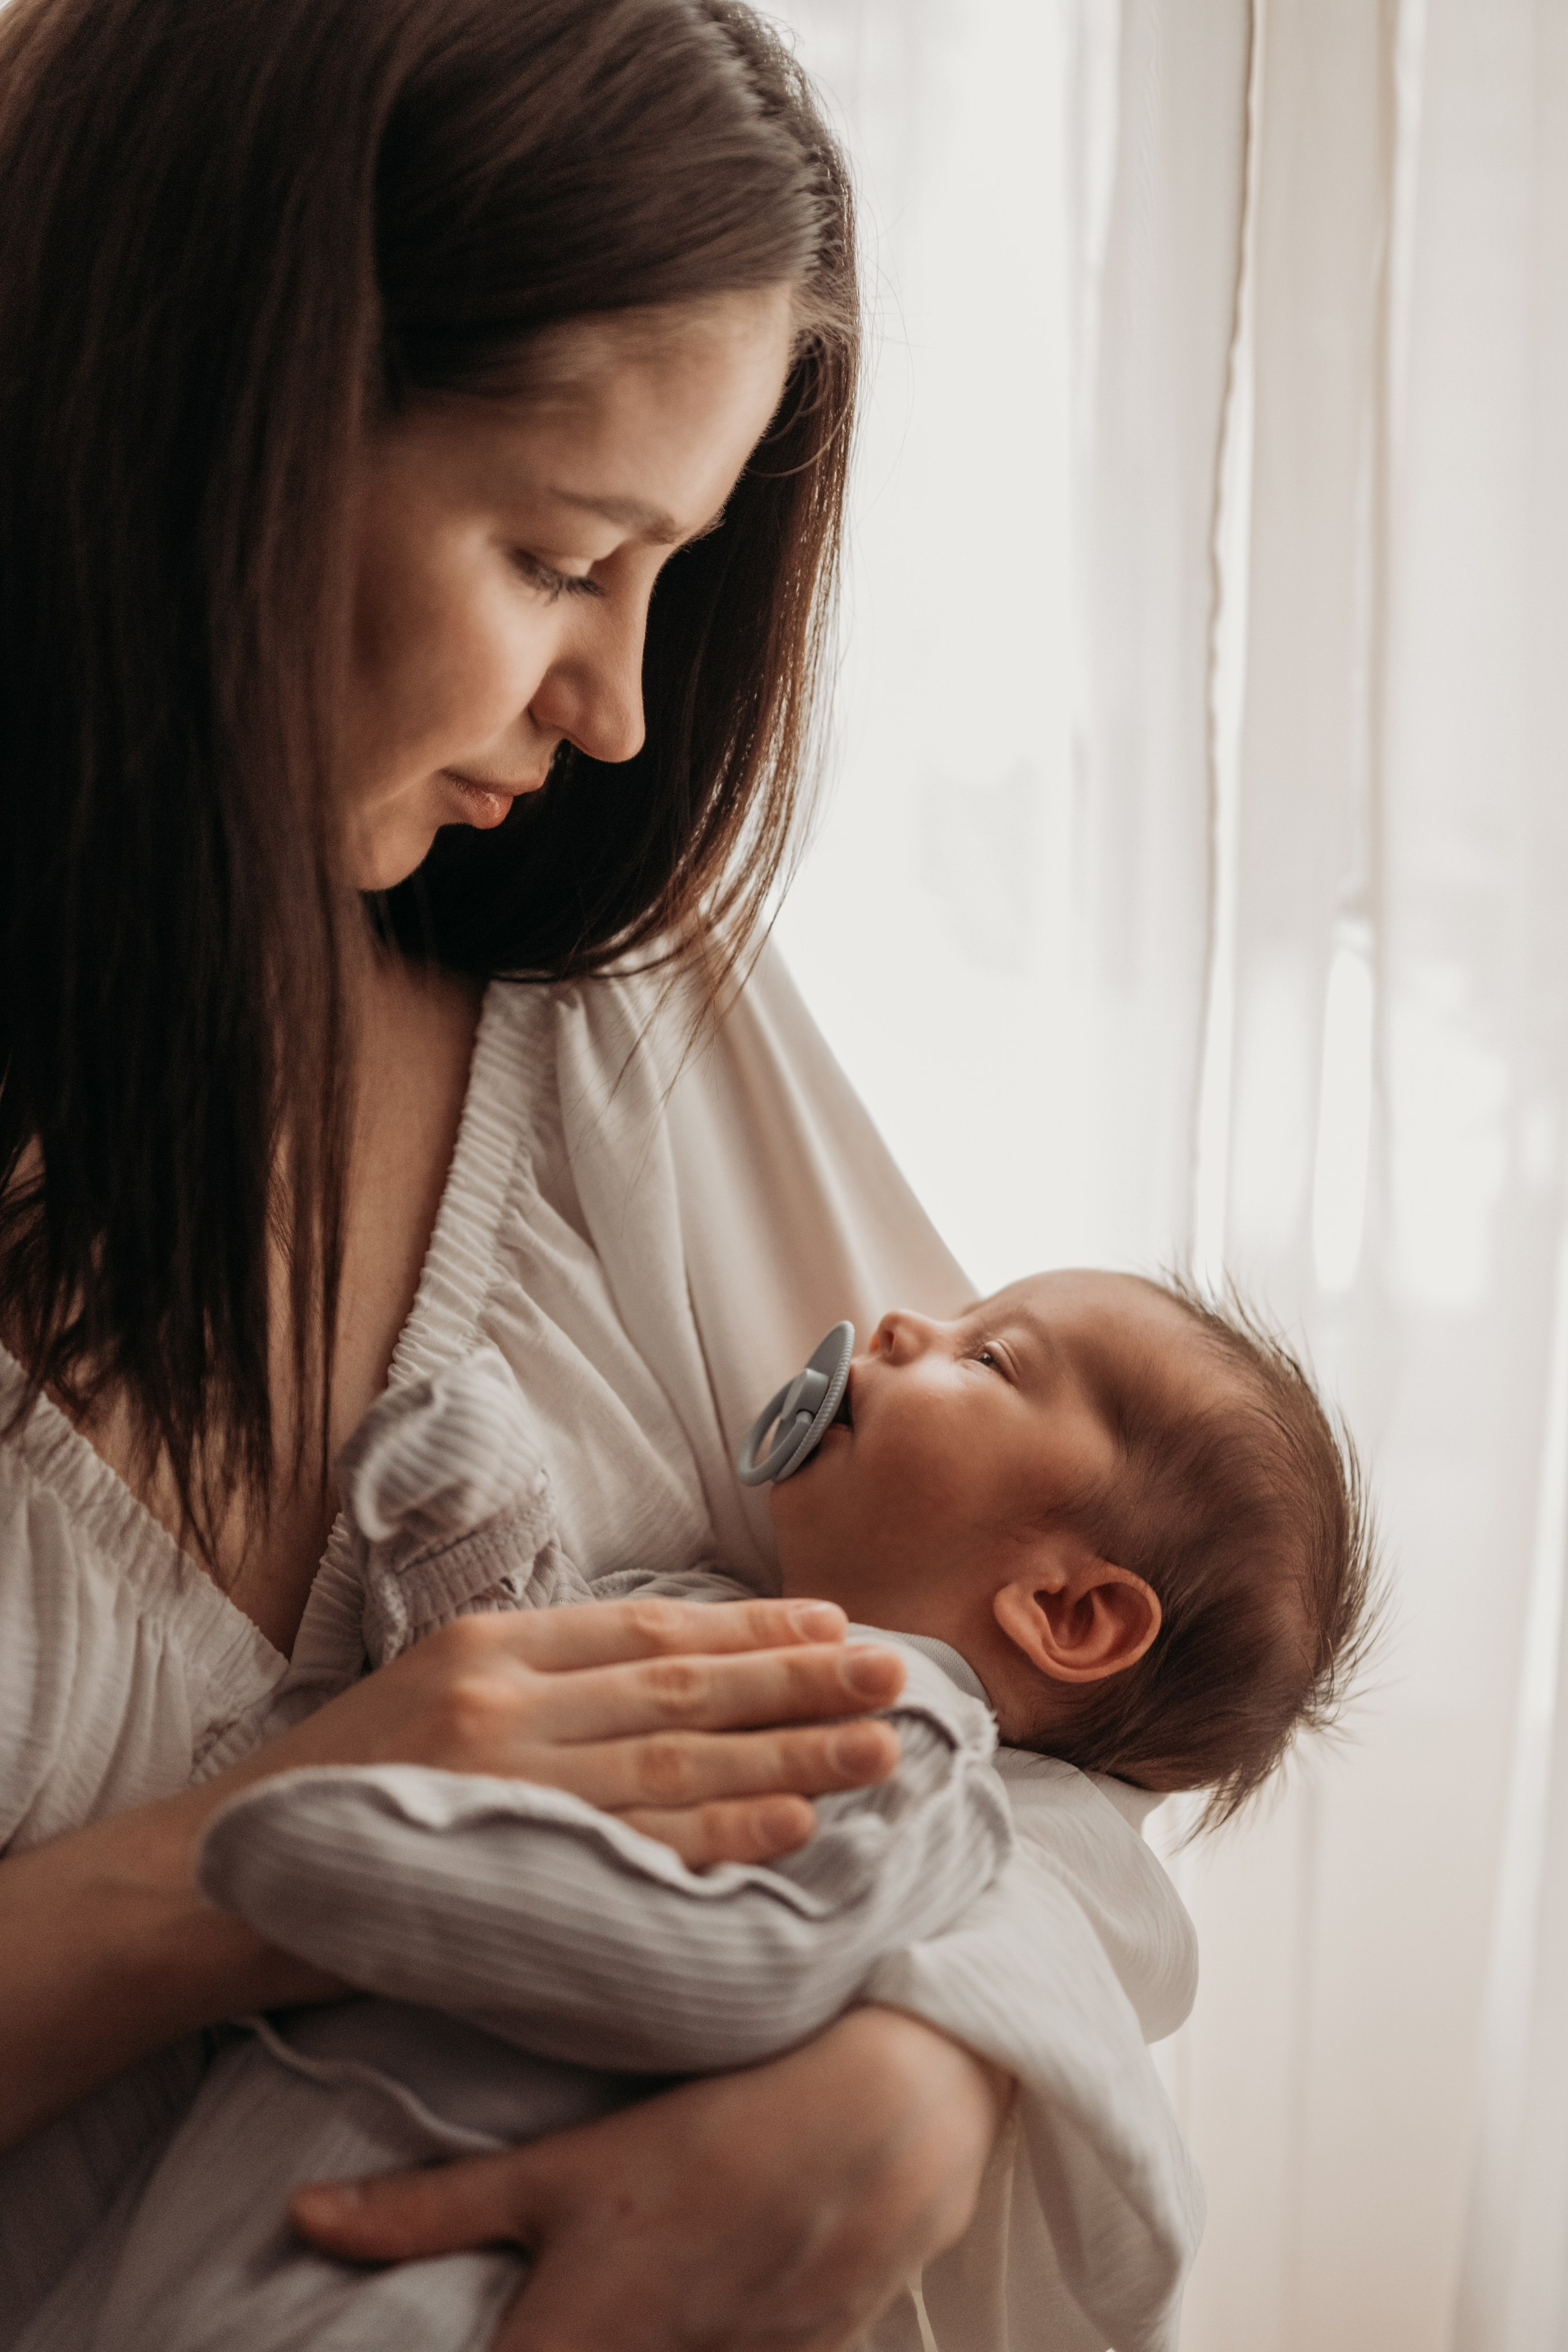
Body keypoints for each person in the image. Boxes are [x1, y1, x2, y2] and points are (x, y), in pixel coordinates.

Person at [0, 1, 1199, 2346]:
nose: (625, 708)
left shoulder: (613, 1032)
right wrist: (289, 1860)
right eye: (561, 556)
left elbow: (1054, 1717)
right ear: (202, 439)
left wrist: (919, 2085)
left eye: (672, 568)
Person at [20, 1269, 1377, 2350]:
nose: (902, 1317)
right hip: (266, 2193)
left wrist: (364, 1869)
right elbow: (516, 1696)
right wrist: (471, 1528)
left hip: (466, 2261)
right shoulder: (731, 1621)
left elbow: (735, 1957)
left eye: (986, 1357)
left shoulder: (896, 1735)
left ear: (1067, 1611)